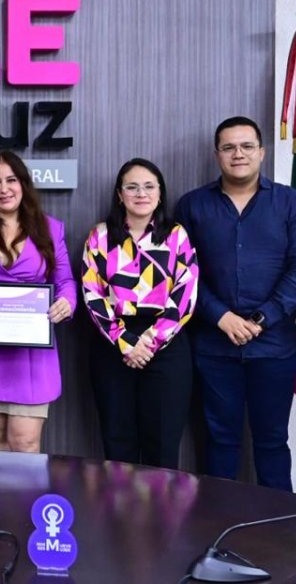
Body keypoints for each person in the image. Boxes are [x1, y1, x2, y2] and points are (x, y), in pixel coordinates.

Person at [175, 116, 296, 491]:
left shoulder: (291, 203)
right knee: (219, 441)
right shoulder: (192, 206)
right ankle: (218, 521)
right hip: (213, 345)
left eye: (246, 146)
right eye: (229, 147)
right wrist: (220, 316)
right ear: (217, 154)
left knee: (272, 442)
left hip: (273, 345)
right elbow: (182, 272)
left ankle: (278, 523)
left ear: (262, 152)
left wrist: (260, 318)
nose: (238, 154)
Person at [0, 151, 77, 453]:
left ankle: (25, 490)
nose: (4, 189)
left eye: (11, 180)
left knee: (25, 441)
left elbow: (65, 282)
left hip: (31, 352)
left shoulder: (50, 228)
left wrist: (66, 302)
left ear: (23, 184)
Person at [82, 158, 198, 469]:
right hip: (113, 346)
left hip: (166, 345)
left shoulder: (176, 235)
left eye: (149, 186)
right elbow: (93, 294)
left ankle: (160, 504)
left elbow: (185, 293)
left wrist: (150, 342)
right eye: (132, 187)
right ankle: (121, 504)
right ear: (120, 195)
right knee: (118, 443)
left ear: (160, 193)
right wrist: (126, 343)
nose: (141, 194)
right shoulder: (100, 236)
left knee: (162, 444)